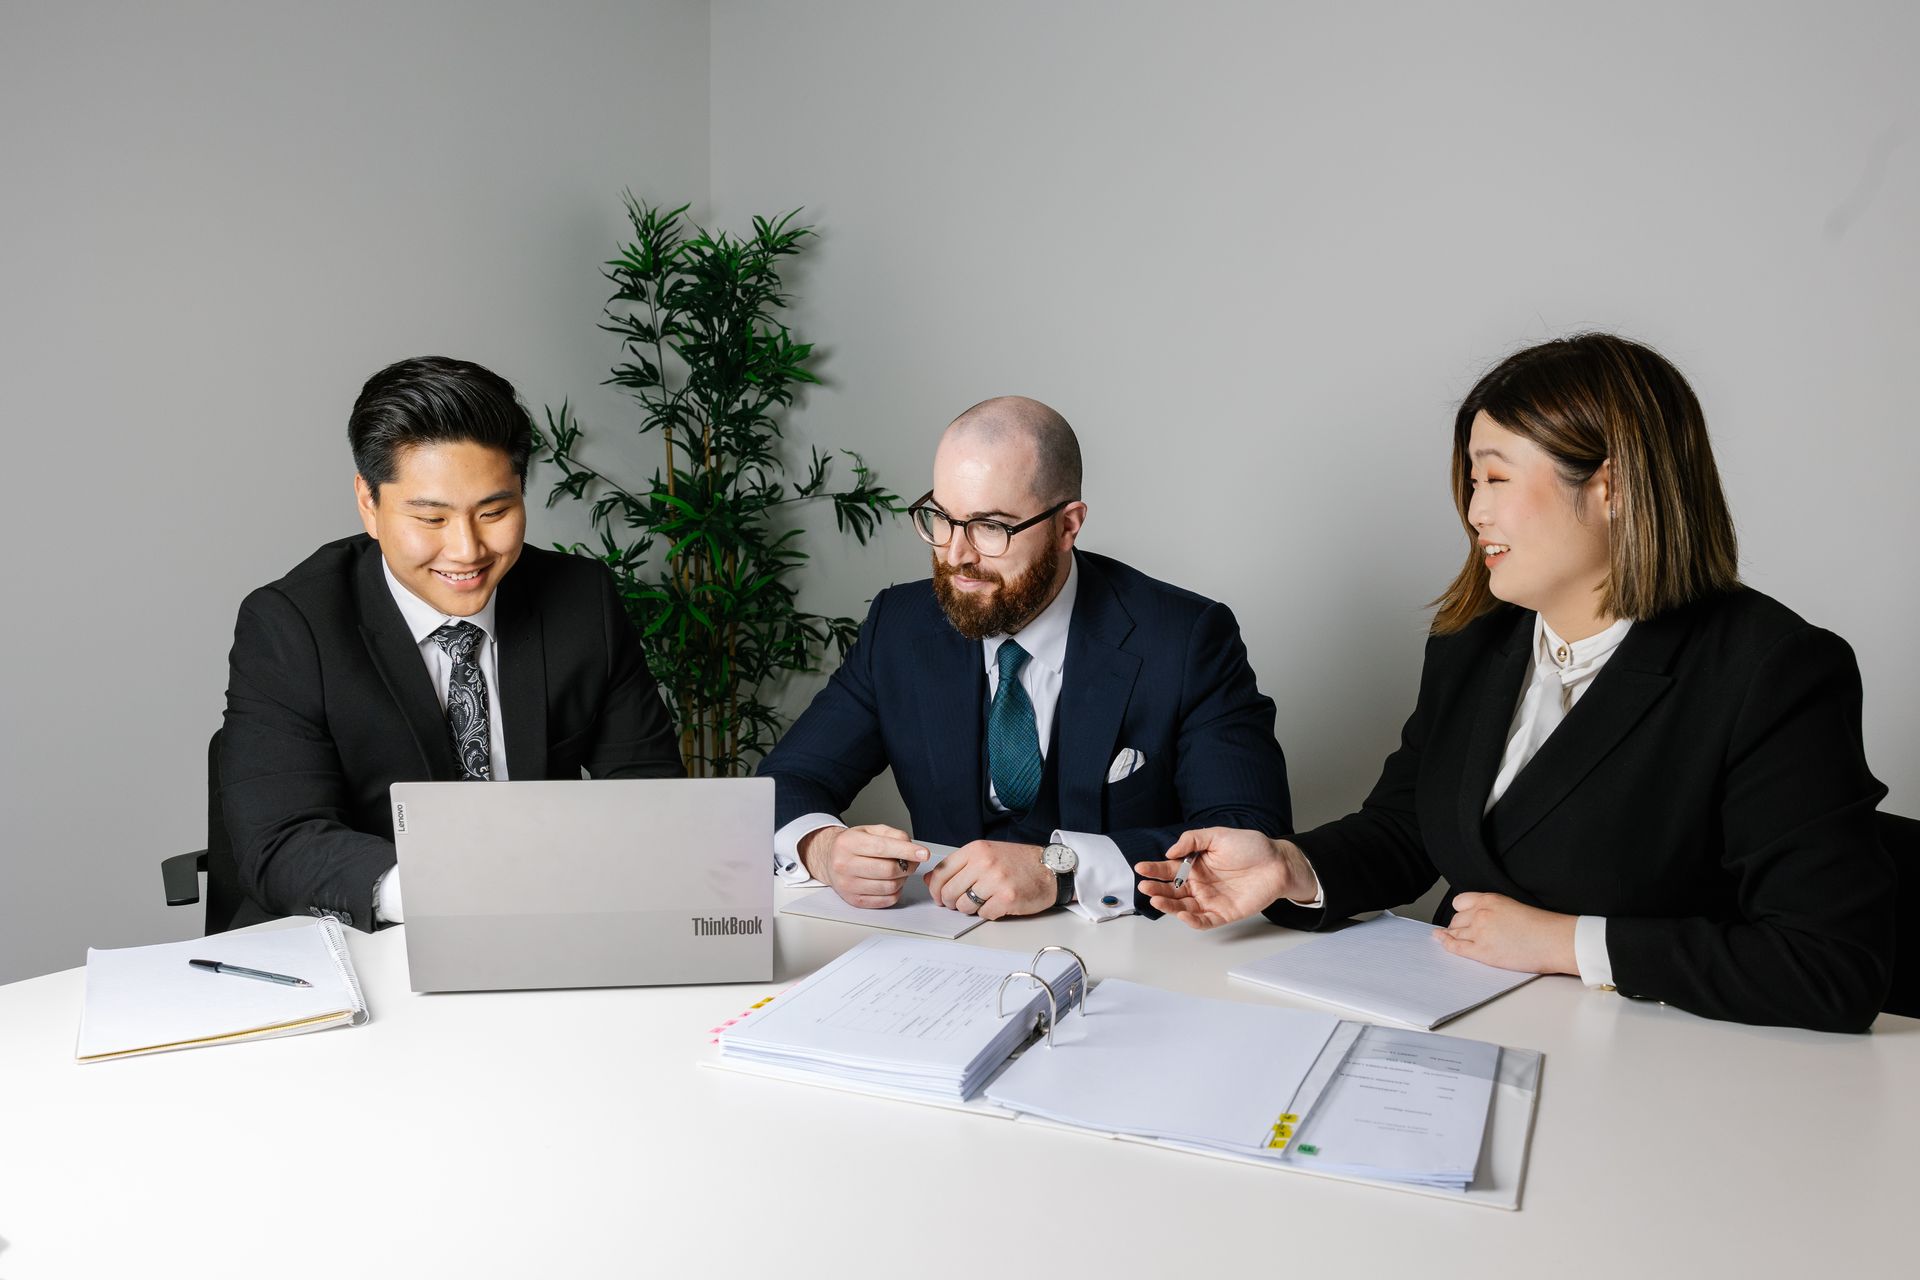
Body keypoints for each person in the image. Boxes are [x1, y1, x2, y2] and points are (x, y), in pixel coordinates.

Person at [1138, 334, 1894, 1033]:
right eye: (1472, 481)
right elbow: (1409, 828)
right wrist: (1287, 867)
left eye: (1496, 477)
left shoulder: (1774, 670)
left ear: (1614, 487)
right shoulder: (1474, 641)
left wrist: (1567, 944)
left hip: (1663, 1073)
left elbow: (1830, 966)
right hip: (1458, 1028)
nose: (1475, 513)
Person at [756, 396, 1290, 921]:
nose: (956, 555)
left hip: (1132, 955)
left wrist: (1064, 870)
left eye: (991, 526)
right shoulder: (899, 626)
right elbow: (783, 782)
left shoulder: (1185, 637)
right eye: (940, 518)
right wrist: (821, 848)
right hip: (942, 950)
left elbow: (1251, 834)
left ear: (1067, 526)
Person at [219, 356, 682, 932]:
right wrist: (442, 894)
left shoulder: (580, 600)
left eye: (495, 511)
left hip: (548, 923)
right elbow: (281, 839)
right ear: (369, 503)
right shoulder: (292, 625)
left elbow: (651, 794)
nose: (467, 551)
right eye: (431, 519)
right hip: (372, 937)